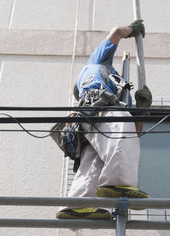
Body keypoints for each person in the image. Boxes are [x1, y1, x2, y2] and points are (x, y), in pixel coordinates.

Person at [56, 20, 152, 220]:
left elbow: (133, 134)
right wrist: (132, 30)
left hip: (92, 118)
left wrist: (142, 110)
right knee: (120, 131)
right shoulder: (97, 64)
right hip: (100, 107)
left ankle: (77, 204)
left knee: (95, 160)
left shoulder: (118, 89)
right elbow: (116, 32)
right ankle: (118, 182)